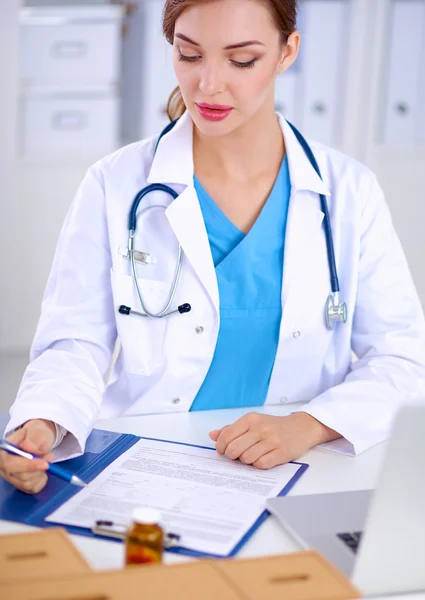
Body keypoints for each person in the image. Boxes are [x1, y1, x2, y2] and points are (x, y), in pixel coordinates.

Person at [1, 0, 425, 495]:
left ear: (287, 51)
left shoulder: (349, 191)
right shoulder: (115, 185)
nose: (208, 84)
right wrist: (44, 420)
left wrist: (308, 424)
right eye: (189, 55)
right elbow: (75, 342)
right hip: (145, 466)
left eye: (241, 60)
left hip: (302, 470)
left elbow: (402, 358)